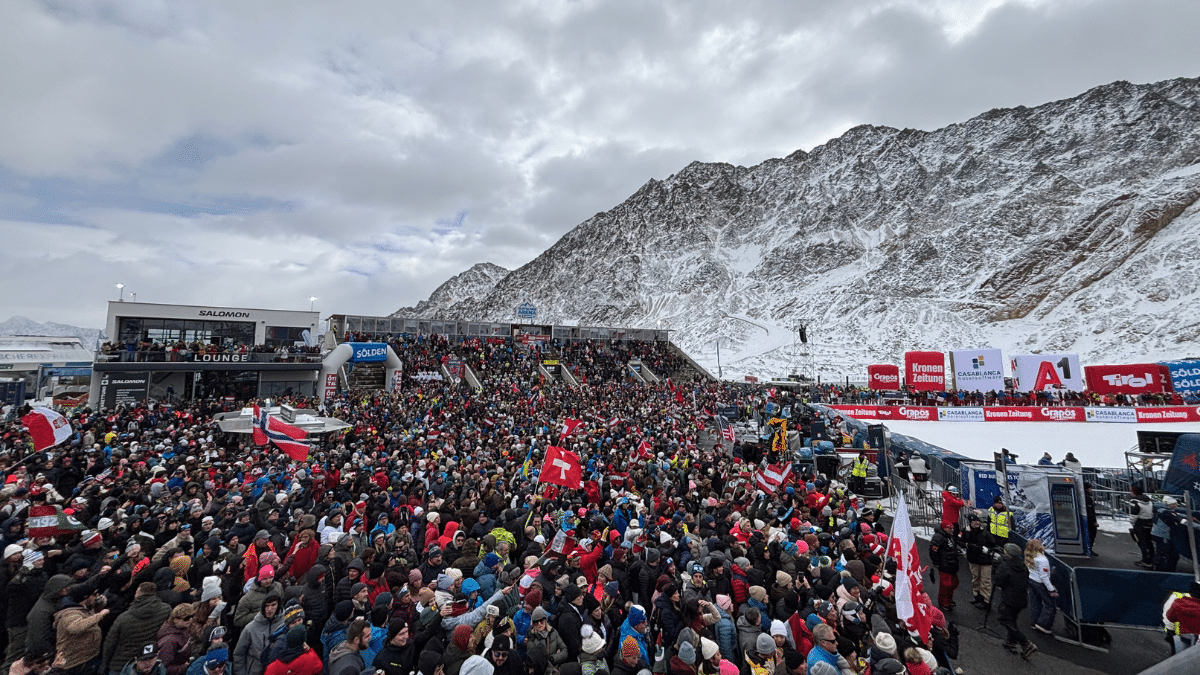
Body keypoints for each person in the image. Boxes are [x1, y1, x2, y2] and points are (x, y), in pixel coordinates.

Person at [992, 543, 1036, 659]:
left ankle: (1025, 643)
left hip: (1009, 599)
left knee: (1004, 619)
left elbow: (998, 581)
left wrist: (996, 568)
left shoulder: (1005, 565)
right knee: (1012, 619)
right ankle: (1010, 642)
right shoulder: (1022, 566)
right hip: (1021, 599)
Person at [959, 514, 994, 609]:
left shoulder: (985, 532)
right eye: (974, 522)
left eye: (977, 521)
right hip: (973, 559)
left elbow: (992, 543)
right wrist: (968, 545)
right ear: (970, 523)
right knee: (975, 578)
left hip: (985, 560)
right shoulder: (965, 531)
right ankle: (977, 597)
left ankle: (985, 600)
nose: (977, 523)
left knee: (985, 581)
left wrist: (987, 549)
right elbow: (959, 541)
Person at [1024, 539, 1056, 635]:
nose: (1043, 546)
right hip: (1040, 584)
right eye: (1041, 544)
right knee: (1050, 604)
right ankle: (1043, 624)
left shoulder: (1030, 556)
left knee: (1035, 602)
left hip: (1032, 581)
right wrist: (1051, 589)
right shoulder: (1043, 560)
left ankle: (1034, 622)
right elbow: (1044, 577)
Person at [928, 525, 960, 611]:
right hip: (945, 565)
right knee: (946, 585)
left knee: (954, 583)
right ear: (945, 528)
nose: (952, 530)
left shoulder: (948, 536)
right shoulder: (939, 537)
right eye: (950, 528)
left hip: (951, 564)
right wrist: (936, 563)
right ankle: (943, 603)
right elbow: (933, 550)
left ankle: (949, 600)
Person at [1129, 486, 1155, 568]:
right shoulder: (1149, 500)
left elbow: (1134, 515)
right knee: (1148, 542)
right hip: (1149, 522)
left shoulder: (1135, 502)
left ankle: (1146, 560)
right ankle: (1151, 558)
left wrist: (1132, 523)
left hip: (1140, 523)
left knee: (1142, 542)